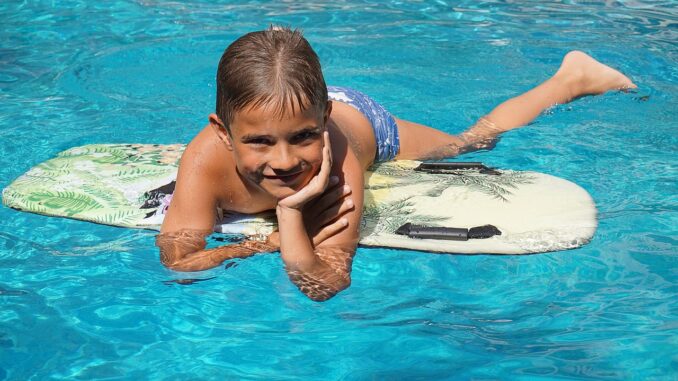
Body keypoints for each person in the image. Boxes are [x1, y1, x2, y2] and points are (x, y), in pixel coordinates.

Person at [156, 26, 635, 301]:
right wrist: (267, 244)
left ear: (320, 124)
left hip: (362, 123)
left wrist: (289, 214)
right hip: (305, 106)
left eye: (302, 139)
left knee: (468, 144)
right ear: (223, 132)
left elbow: (323, 283)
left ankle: (569, 79)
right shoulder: (204, 159)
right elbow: (180, 264)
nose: (284, 163)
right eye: (259, 143)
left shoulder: (336, 160)